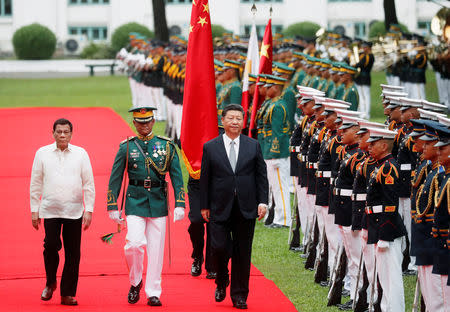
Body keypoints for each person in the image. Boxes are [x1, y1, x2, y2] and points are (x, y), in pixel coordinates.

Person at [107, 107, 185, 307]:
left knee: (156, 250)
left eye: (148, 121)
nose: (144, 125)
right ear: (134, 123)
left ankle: (153, 292)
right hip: (135, 200)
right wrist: (112, 204)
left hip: (158, 201)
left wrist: (180, 203)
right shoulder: (126, 147)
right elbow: (115, 177)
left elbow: (176, 176)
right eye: (140, 122)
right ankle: (135, 281)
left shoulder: (166, 146)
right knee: (133, 244)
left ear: (153, 121)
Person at [200, 104, 268, 310]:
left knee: (242, 252)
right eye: (231, 118)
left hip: (246, 207)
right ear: (223, 121)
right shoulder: (210, 147)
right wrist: (204, 205)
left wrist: (262, 201)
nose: (235, 122)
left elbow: (261, 176)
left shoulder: (253, 145)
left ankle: (239, 295)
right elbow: (205, 179)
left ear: (243, 122)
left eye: (239, 118)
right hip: (219, 206)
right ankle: (222, 279)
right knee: (219, 247)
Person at [30, 118, 95, 306]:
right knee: (50, 245)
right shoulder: (42, 153)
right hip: (50, 209)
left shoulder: (81, 154)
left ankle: (67, 293)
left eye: (66, 132)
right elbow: (35, 183)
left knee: (73, 253)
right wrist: (35, 210)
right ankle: (50, 282)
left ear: (71, 134)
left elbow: (88, 183)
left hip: (74, 210)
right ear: (53, 133)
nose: (62, 135)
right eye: (59, 132)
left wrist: (88, 209)